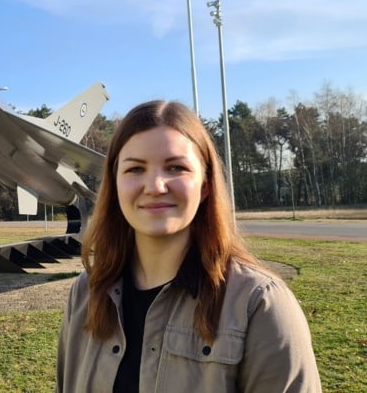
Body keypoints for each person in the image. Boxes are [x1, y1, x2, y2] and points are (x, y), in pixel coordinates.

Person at [56, 100, 321, 392]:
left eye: (176, 167)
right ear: (115, 184)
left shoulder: (259, 306)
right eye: (135, 169)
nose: (155, 186)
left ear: (205, 185)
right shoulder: (86, 293)